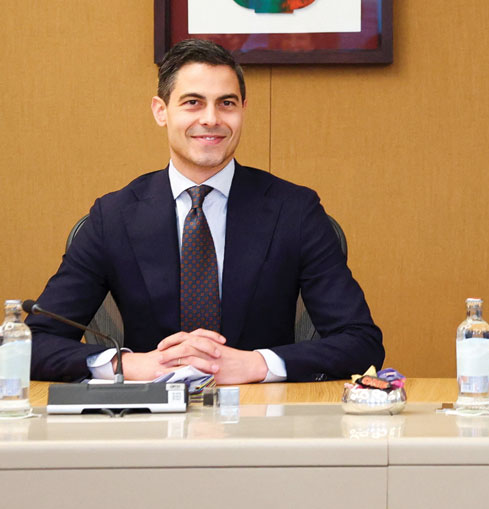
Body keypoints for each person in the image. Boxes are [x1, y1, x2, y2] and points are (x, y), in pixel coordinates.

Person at [28, 39, 383, 384]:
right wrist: (131, 365)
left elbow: (361, 342)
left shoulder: (294, 210)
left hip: (260, 412)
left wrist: (257, 363)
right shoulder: (113, 217)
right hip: (149, 414)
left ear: (243, 110)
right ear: (161, 111)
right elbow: (33, 343)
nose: (211, 119)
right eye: (193, 103)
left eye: (226, 103)